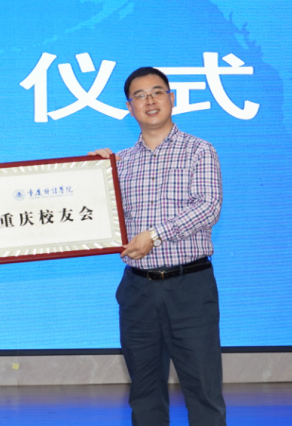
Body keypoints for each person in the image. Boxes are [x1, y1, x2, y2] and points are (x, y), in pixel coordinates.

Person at [91, 66, 227, 426]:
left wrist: (153, 235)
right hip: (138, 290)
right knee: (144, 394)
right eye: (139, 95)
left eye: (157, 92)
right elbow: (101, 219)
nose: (149, 100)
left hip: (190, 286)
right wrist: (92, 177)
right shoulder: (119, 163)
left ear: (172, 98)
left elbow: (208, 207)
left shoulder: (199, 150)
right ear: (129, 107)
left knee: (203, 391)